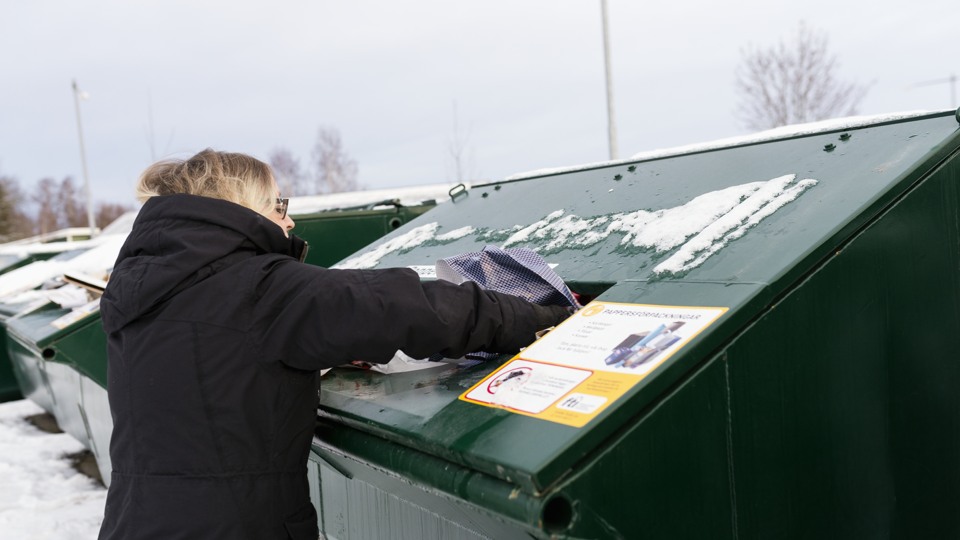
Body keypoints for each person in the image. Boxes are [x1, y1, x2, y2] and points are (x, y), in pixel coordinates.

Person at [97, 149, 571, 540]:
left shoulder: (141, 288)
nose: (288, 220)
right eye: (278, 204)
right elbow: (408, 308)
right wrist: (550, 316)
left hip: (135, 521)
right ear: (242, 207)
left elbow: (214, 361)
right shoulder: (260, 288)